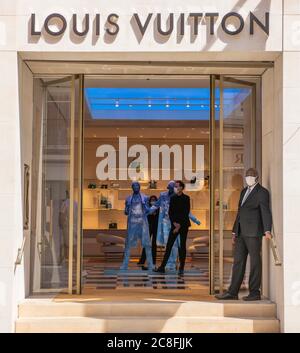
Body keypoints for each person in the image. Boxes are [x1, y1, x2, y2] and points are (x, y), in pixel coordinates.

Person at [216, 168, 273, 301]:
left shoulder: (262, 192)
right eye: (247, 175)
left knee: (255, 262)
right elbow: (239, 212)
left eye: (251, 176)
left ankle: (254, 292)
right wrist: (235, 230)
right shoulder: (243, 191)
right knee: (238, 262)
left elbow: (265, 211)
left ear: (257, 177)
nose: (249, 177)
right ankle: (232, 292)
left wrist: (267, 230)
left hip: (254, 232)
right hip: (241, 232)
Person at [155, 180, 201, 271]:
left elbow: (186, 212)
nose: (175, 188)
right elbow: (171, 212)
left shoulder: (186, 198)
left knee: (182, 246)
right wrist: (175, 224)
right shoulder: (173, 198)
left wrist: (179, 226)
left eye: (177, 186)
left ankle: (181, 267)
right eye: (175, 186)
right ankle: (162, 267)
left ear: (182, 187)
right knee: (169, 245)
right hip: (174, 225)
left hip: (183, 225)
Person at [120, 181, 154, 271]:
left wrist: (144, 205)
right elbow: (126, 212)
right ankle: (125, 264)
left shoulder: (145, 198)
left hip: (142, 223)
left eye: (137, 186)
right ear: (132, 188)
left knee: (147, 244)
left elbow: (149, 211)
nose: (135, 187)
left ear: (139, 187)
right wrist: (127, 209)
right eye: (134, 186)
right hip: (132, 223)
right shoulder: (128, 198)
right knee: (128, 244)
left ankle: (151, 264)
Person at [138, 195, 159, 267]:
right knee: (146, 244)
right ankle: (142, 260)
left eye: (154, 200)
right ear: (149, 201)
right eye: (152, 200)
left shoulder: (158, 208)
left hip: (156, 228)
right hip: (148, 227)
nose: (153, 201)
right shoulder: (147, 208)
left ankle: (153, 261)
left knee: (154, 244)